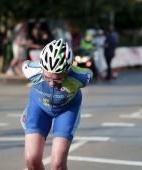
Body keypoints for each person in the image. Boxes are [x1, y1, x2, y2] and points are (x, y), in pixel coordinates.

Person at [21, 38, 93, 170]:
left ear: (67, 71)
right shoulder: (31, 71)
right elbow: (25, 63)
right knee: (32, 160)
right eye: (47, 77)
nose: (52, 83)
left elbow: (89, 73)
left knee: (57, 164)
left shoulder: (80, 78)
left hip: (67, 110)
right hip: (39, 108)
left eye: (58, 79)